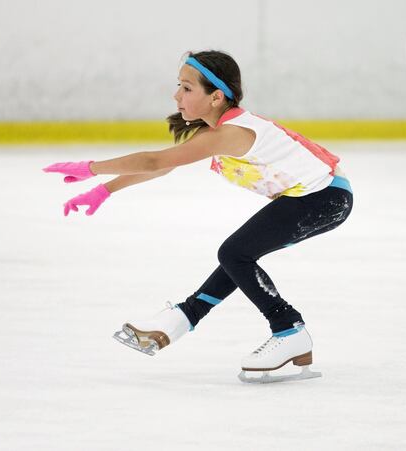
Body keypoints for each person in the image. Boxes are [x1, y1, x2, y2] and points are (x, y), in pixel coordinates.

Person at [43, 50, 353, 383]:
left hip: (323, 197)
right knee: (238, 256)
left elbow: (154, 161)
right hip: (314, 196)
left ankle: (289, 330)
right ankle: (183, 317)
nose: (177, 95)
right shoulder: (214, 133)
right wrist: (106, 190)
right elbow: (163, 166)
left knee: (235, 253)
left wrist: (92, 169)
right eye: (179, 85)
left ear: (216, 96)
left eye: (187, 88)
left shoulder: (233, 133)